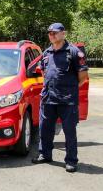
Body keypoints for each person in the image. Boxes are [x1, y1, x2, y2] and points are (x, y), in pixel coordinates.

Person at [32, 23, 89, 173]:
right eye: (50, 33)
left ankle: (71, 161)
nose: (52, 35)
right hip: (48, 98)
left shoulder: (74, 52)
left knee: (69, 131)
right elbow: (45, 73)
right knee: (45, 129)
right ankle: (45, 154)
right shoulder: (46, 53)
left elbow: (82, 77)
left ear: (63, 33)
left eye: (55, 33)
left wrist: (68, 88)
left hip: (67, 100)